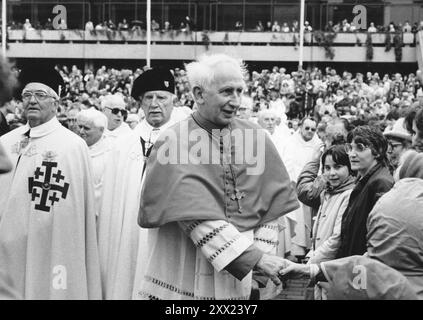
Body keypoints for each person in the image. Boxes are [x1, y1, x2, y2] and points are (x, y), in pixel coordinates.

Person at [136, 54, 299, 300]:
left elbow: (271, 209)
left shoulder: (256, 137)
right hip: (190, 270)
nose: (236, 101)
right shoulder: (174, 142)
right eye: (226, 92)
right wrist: (254, 259)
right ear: (199, 94)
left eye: (239, 91)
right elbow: (194, 217)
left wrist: (261, 269)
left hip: (247, 278)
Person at [0, 65, 101, 299]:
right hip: (8, 246)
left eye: (40, 95)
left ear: (56, 102)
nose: (32, 101)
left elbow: (77, 210)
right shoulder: (6, 142)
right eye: (27, 95)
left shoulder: (72, 146)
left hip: (53, 245)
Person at [279, 151, 423, 299]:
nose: (354, 154)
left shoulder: (386, 201)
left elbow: (368, 261)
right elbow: (369, 260)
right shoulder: (335, 192)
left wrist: (312, 268)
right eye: (327, 168)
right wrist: (311, 269)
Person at [98, 68, 179, 300]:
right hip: (129, 236)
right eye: (148, 98)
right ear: (140, 104)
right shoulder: (123, 144)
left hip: (167, 235)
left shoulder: (186, 143)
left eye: (162, 97)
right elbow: (110, 205)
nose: (155, 104)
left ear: (174, 101)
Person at [337, 126, 394, 258]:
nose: (352, 154)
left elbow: (381, 237)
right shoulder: (364, 180)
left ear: (378, 151)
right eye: (350, 148)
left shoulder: (381, 183)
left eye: (360, 148)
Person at [76, 108, 112, 214]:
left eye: (86, 128)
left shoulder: (110, 154)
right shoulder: (75, 147)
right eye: (80, 127)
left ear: (101, 130)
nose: (81, 132)